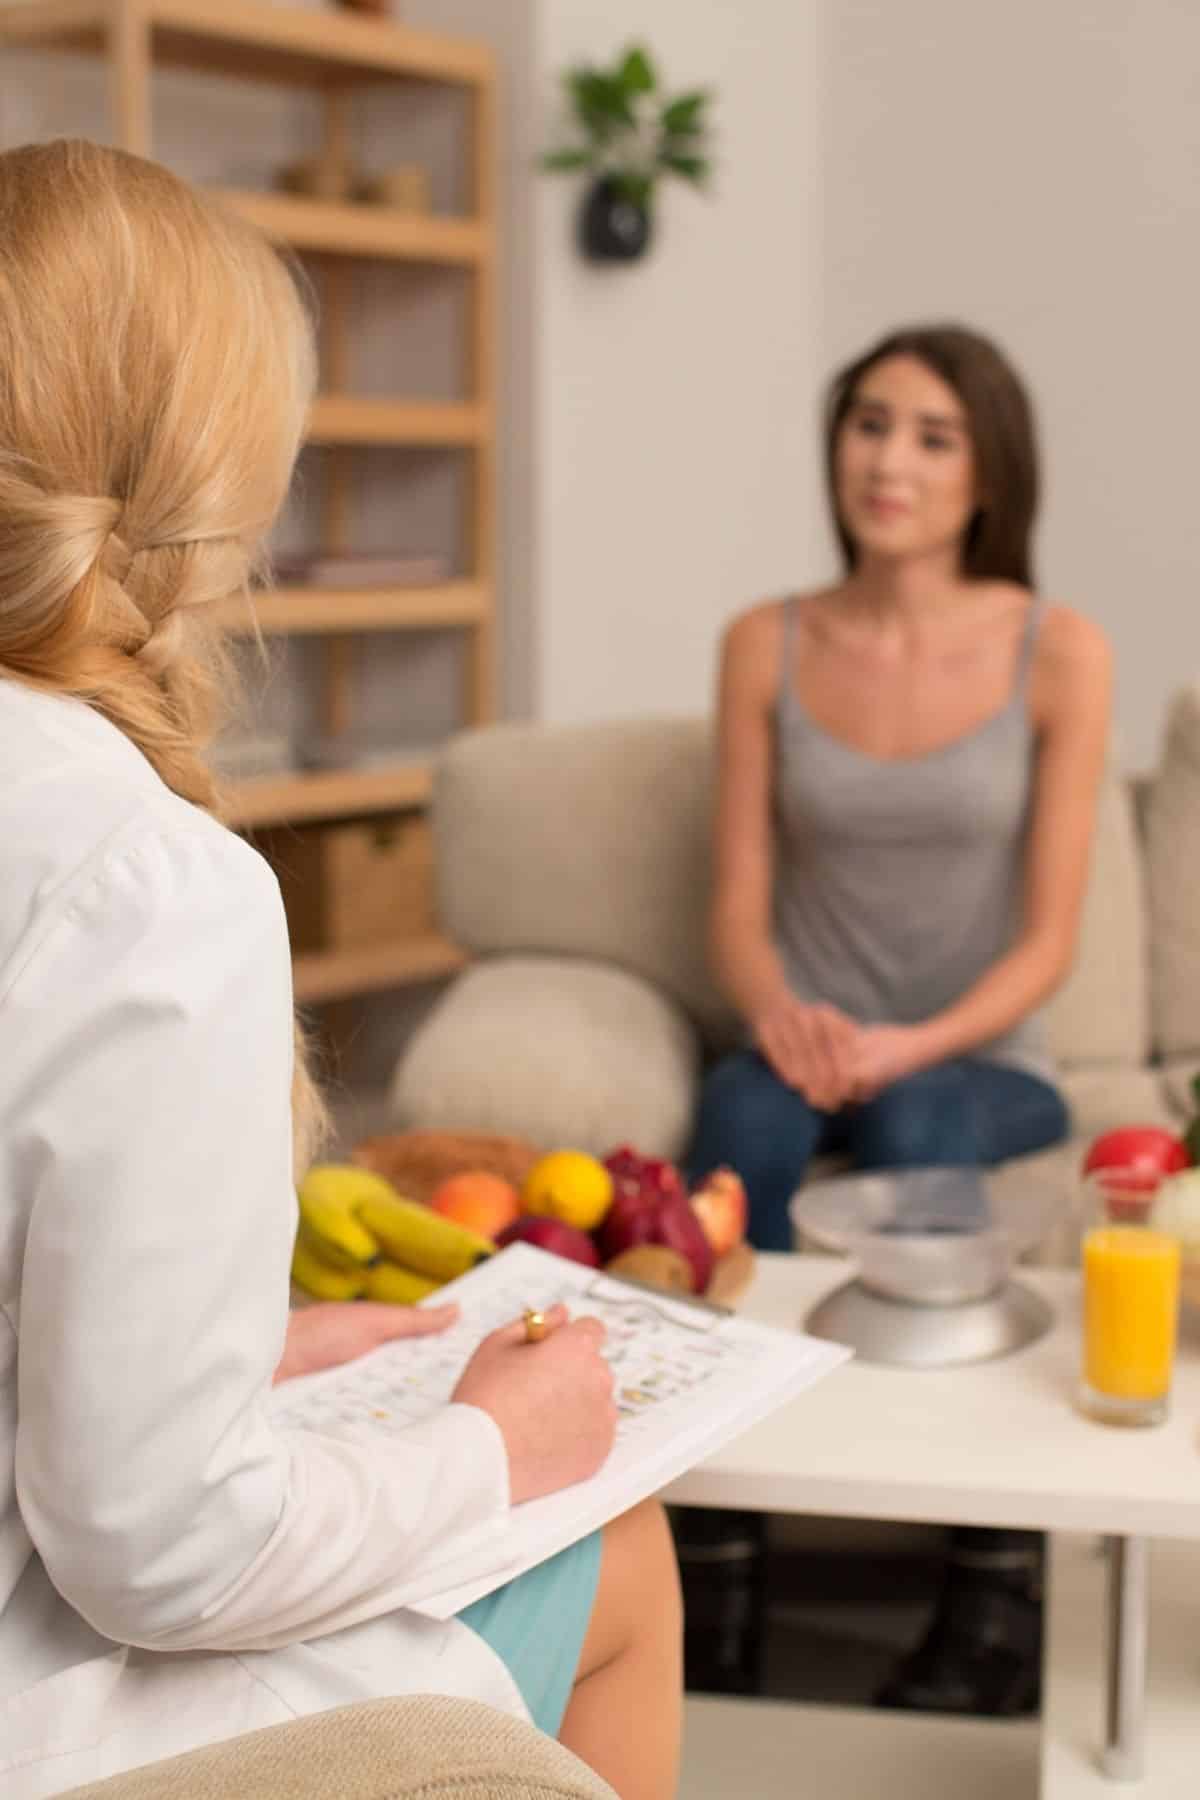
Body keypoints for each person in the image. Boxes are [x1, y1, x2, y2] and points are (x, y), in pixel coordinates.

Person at [0, 140, 680, 1800]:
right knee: (630, 1552)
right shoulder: (149, 886)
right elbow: (153, 1552)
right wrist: (491, 1451)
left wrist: (232, 1351)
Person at [686, 323, 1111, 1714]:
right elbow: (739, 906)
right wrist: (789, 1022)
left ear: (987, 474)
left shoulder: (1061, 653)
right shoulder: (764, 640)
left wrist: (899, 1049)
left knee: (924, 1122)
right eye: (870, 423)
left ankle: (987, 1594)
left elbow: (1048, 942)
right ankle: (715, 1567)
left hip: (976, 1062)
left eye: (932, 435)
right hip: (801, 1042)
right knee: (740, 1114)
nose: (889, 459)